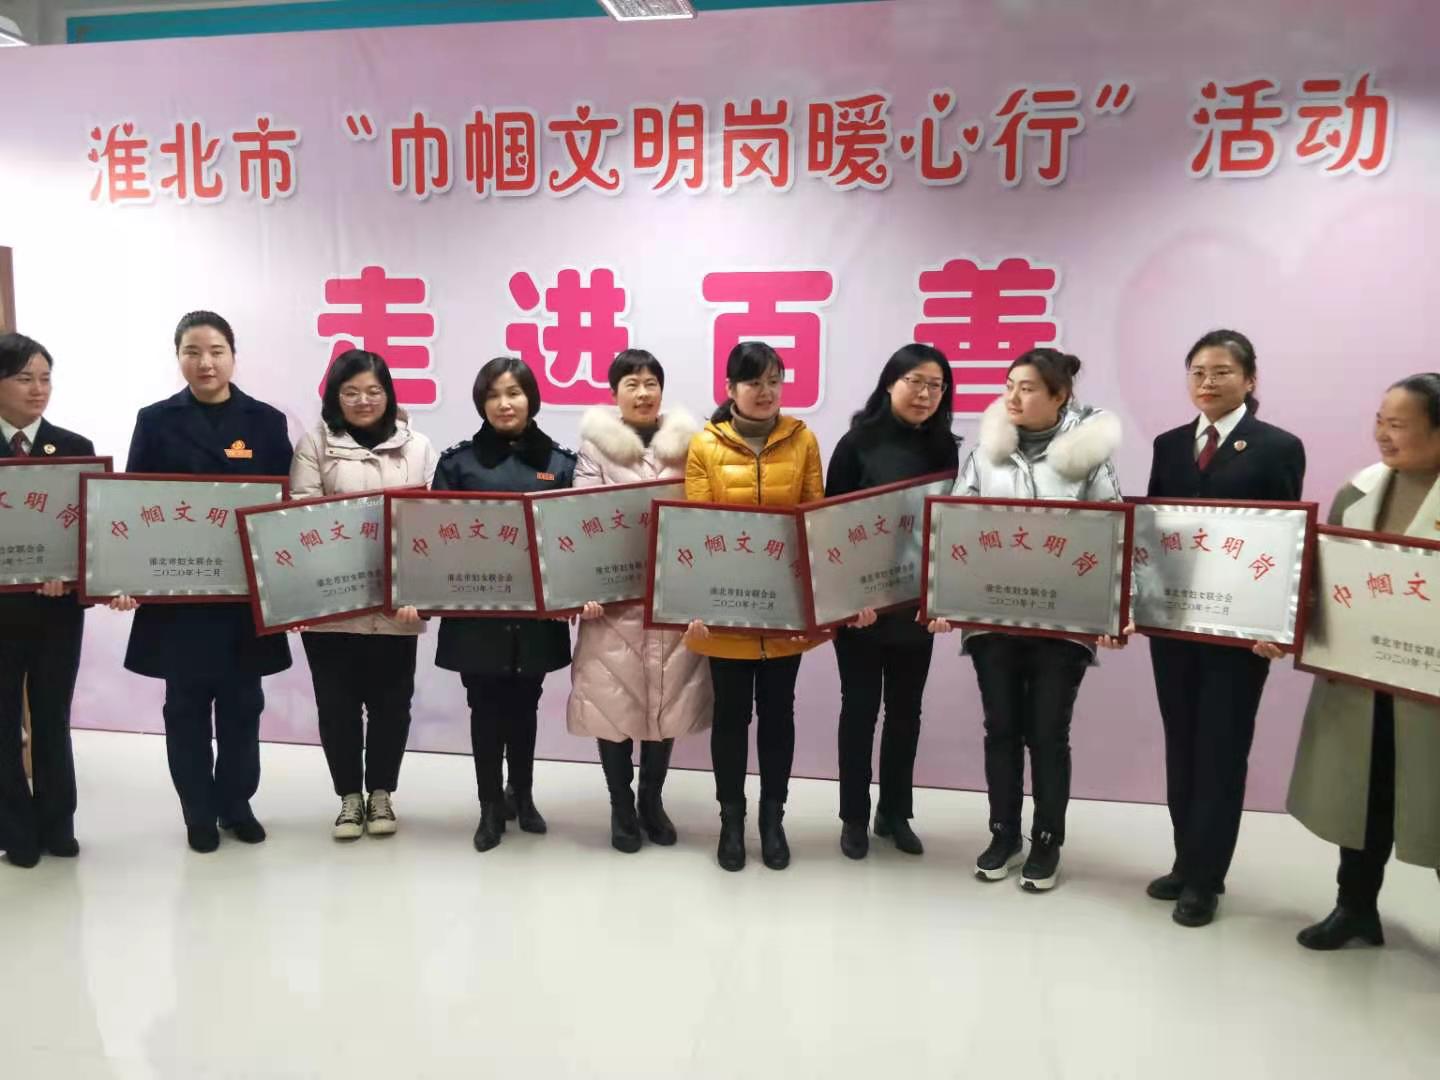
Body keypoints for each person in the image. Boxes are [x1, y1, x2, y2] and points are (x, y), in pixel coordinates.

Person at [930, 348, 1123, 892]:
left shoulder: (1089, 458)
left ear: (1060, 397)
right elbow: (956, 525)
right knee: (1001, 730)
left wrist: (1114, 610)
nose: (1013, 396)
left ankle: (1046, 840)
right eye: (1009, 385)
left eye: (1029, 387)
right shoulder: (985, 455)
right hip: (993, 618)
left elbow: (1114, 534)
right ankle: (1003, 833)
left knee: (1047, 734)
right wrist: (943, 599)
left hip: (1063, 624)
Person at [110, 311, 293, 854]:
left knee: (243, 706)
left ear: (233, 356)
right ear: (178, 358)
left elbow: (284, 512)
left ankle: (237, 804)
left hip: (241, 597)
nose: (205, 362)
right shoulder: (155, 420)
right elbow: (135, 504)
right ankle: (197, 811)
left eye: (215, 350)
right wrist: (125, 576)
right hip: (179, 596)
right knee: (185, 709)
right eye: (192, 351)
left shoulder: (266, 422)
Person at [1144, 330, 1305, 927]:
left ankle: (1206, 879)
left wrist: (1277, 622)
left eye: (1221, 371)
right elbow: (1153, 533)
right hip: (1175, 624)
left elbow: (1284, 540)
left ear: (1249, 379)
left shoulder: (1277, 446)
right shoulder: (1168, 445)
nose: (1207, 382)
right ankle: (1185, 860)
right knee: (1182, 742)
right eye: (1197, 372)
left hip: (1239, 631)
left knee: (1222, 747)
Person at [1288, 373, 1440, 950]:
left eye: (1398, 424)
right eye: (1380, 420)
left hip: (1430, 689)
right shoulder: (1358, 491)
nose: (1382, 434)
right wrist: (1289, 624)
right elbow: (1327, 579)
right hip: (1363, 681)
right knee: (1363, 796)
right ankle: (1354, 909)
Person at [684, 341, 824, 872]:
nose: (765, 392)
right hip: (727, 609)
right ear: (730, 388)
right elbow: (697, 528)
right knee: (731, 717)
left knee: (779, 716)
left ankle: (772, 820)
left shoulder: (803, 438)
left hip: (784, 611)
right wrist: (697, 602)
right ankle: (731, 820)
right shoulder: (705, 444)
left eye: (774, 381)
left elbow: (815, 519)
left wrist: (814, 603)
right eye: (753, 382)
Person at [424, 356, 575, 853]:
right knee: (485, 708)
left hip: (536, 615)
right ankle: (490, 804)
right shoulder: (458, 464)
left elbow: (573, 543)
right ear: (480, 403)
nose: (504, 403)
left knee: (527, 705)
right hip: (478, 614)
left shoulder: (560, 464)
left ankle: (522, 796)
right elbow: (436, 539)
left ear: (531, 399)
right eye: (493, 395)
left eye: (514, 393)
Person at [566, 350, 710, 853]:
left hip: (672, 597)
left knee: (666, 702)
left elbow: (706, 515)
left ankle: (651, 799)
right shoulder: (594, 448)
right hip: (614, 603)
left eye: (651, 383)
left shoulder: (693, 444)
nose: (643, 393)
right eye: (632, 383)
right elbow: (582, 516)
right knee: (613, 703)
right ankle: (620, 805)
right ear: (615, 394)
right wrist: (585, 587)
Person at [290, 349, 437, 840]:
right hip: (332, 604)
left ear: (389, 393)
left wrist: (420, 592)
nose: (363, 400)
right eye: (350, 391)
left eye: (373, 390)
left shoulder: (419, 447)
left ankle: (381, 794)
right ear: (335, 396)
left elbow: (432, 525)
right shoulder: (315, 444)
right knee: (337, 706)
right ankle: (349, 799)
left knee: (392, 705)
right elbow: (303, 517)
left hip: (397, 605)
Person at [825, 344, 960, 860]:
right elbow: (830, 526)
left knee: (906, 712)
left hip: (914, 608)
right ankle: (854, 817)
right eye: (915, 382)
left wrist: (940, 598)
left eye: (936, 385)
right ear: (890, 383)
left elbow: (946, 530)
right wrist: (845, 600)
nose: (925, 394)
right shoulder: (855, 444)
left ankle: (895, 813)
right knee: (859, 710)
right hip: (861, 610)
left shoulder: (944, 449)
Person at [0, 332, 95, 868]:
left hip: (56, 611)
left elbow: (93, 531)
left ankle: (58, 823)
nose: (38, 389)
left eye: (45, 378)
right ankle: (15, 830)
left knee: (53, 717)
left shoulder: (75, 447)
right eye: (24, 379)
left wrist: (73, 574)